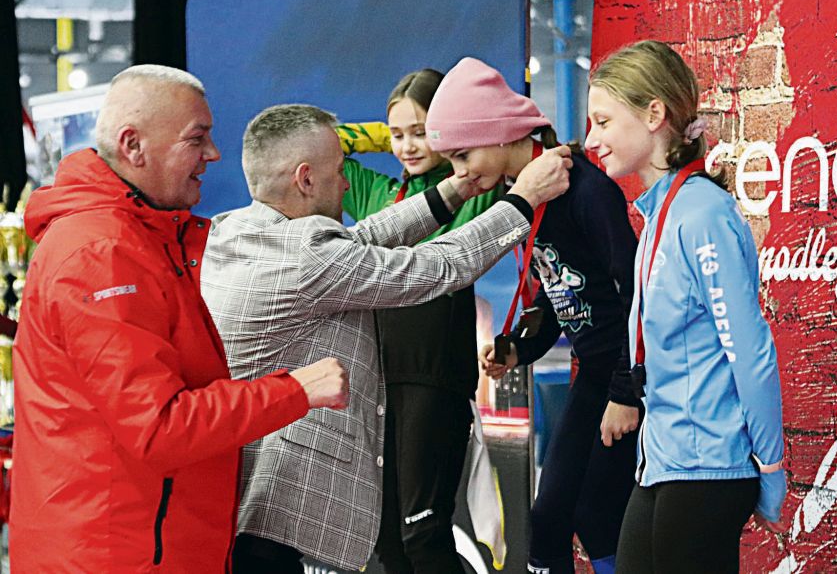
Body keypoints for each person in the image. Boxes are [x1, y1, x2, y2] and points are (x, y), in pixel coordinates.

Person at [199, 103, 572, 573]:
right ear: (305, 179)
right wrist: (524, 199)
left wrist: (452, 192)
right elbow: (440, 266)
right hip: (272, 509)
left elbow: (361, 238)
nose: (348, 184)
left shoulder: (235, 230)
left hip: (241, 494)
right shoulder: (306, 257)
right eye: (339, 171)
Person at [9, 65, 349, 574]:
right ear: (133, 146)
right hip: (118, 556)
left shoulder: (142, 238)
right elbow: (159, 427)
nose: (213, 154)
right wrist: (297, 390)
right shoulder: (102, 252)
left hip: (142, 544)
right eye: (197, 138)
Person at [427, 57, 640, 574]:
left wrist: (625, 390)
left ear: (500, 132)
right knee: (557, 522)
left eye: (463, 155)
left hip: (624, 375)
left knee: (587, 516)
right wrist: (520, 347)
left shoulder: (585, 191)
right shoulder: (524, 197)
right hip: (595, 375)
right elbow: (556, 287)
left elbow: (636, 292)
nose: (459, 173)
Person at [584, 40, 786, 572]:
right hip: (662, 463)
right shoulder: (660, 215)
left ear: (654, 114)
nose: (591, 140)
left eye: (603, 122)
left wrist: (771, 466)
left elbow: (750, 353)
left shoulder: (701, 215)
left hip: (707, 468)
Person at [336, 69, 503, 574]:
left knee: (422, 531)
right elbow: (327, 142)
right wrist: (386, 132)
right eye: (397, 135)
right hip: (379, 380)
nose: (408, 146)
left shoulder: (472, 186)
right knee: (386, 540)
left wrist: (442, 132)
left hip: (436, 377)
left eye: (421, 132)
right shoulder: (375, 193)